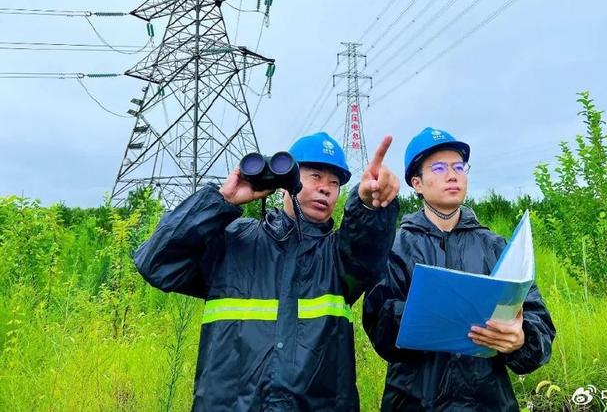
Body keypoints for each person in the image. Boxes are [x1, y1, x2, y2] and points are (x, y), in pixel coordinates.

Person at [134, 132, 400, 411]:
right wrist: (221, 201)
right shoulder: (234, 242)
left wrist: (370, 207)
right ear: (287, 181)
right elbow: (157, 263)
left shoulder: (338, 256)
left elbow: (367, 247)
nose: (326, 188)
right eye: (315, 177)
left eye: (334, 183)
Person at [362, 127, 555, 411]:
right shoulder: (395, 246)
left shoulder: (496, 246)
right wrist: (434, 312)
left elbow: (539, 321)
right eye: (438, 168)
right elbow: (378, 326)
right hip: (413, 402)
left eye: (458, 167)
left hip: (488, 402)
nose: (452, 175)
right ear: (417, 182)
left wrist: (521, 338)